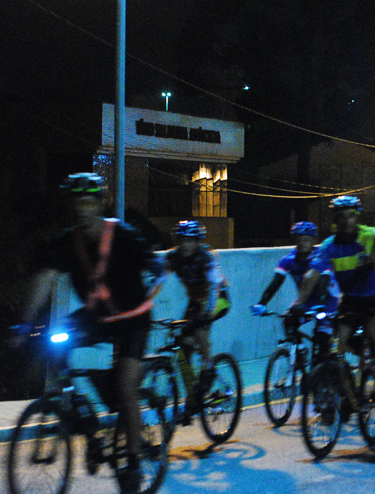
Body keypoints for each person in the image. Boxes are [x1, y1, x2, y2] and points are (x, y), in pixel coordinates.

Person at [16, 174, 156, 494]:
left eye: (89, 201)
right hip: (97, 317)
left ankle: (133, 461)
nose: (83, 208)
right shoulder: (69, 241)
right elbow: (46, 278)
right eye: (77, 202)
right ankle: (89, 430)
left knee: (124, 387)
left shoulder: (123, 235)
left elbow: (150, 260)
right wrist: (25, 325)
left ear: (100, 202)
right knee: (55, 347)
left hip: (132, 318)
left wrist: (155, 269)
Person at [313, 195, 375, 400]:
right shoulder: (328, 246)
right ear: (335, 219)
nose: (345, 221)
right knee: (337, 344)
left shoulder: (369, 234)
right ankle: (348, 394)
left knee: (371, 327)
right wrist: (301, 302)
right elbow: (314, 273)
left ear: (357, 218)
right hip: (350, 298)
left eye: (350, 216)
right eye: (340, 216)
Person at [158, 220, 230, 414]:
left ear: (198, 241)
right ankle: (192, 396)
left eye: (191, 241)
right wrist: (143, 304)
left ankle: (209, 368)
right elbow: (158, 281)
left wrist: (207, 315)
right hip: (196, 301)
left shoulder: (207, 257)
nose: (186, 245)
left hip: (218, 298)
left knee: (199, 327)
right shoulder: (172, 257)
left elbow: (215, 286)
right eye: (183, 240)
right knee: (184, 346)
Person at [251, 222, 341, 357]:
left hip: (327, 300)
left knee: (323, 339)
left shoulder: (321, 258)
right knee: (289, 322)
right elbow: (275, 283)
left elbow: (323, 282)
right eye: (299, 240)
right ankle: (300, 352)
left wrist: (322, 307)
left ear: (313, 241)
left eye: (306, 240)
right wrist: (262, 303)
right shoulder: (288, 260)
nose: (302, 243)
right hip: (306, 300)